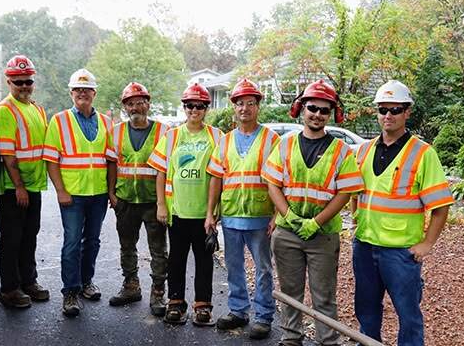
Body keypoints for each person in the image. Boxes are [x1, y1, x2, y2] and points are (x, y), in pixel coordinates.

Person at [261, 79, 364, 345]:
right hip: (288, 232)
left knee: (324, 296)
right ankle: (291, 338)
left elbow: (345, 192)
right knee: (289, 291)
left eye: (323, 110)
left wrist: (317, 222)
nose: (317, 114)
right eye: (312, 108)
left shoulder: (341, 150)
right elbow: (273, 183)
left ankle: (326, 341)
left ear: (331, 114)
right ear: (301, 109)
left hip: (323, 236)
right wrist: (289, 216)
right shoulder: (285, 145)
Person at [352, 80, 454, 346]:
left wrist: (427, 244)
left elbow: (441, 206)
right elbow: (356, 192)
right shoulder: (363, 149)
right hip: (364, 246)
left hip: (400, 252)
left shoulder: (423, 153)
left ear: (407, 112)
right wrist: (356, 222)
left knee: (408, 317)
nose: (388, 115)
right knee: (366, 313)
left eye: (395, 109)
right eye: (382, 109)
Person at [205, 78, 280, 340]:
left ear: (258, 106)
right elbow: (216, 178)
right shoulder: (225, 142)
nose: (244, 108)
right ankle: (238, 310)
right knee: (233, 265)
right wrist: (210, 214)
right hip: (231, 216)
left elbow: (281, 180)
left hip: (260, 217)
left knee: (263, 268)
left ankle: (263, 316)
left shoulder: (272, 139)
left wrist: (277, 215)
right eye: (240, 104)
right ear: (234, 107)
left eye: (250, 103)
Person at [43, 69, 117, 317]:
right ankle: (70, 292)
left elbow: (110, 160)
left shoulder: (107, 122)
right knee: (72, 243)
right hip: (72, 195)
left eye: (86, 90)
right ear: (71, 93)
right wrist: (60, 190)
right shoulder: (59, 120)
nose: (82, 93)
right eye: (77, 90)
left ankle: (86, 282)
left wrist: (110, 192)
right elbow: (51, 160)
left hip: (98, 195)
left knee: (93, 241)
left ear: (94, 93)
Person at [148, 83, 222, 326]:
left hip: (204, 214)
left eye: (200, 106)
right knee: (176, 259)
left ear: (206, 109)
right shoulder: (172, 136)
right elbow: (160, 172)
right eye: (190, 105)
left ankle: (203, 306)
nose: (194, 110)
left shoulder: (216, 136)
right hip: (178, 211)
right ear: (184, 108)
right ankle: (175, 303)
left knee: (204, 261)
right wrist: (161, 204)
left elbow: (220, 174)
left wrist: (213, 211)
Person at [0, 55, 49, 308]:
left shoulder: (35, 108)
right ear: (9, 82)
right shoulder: (5, 111)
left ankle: (28, 281)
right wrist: (19, 186)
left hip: (33, 185)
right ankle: (9, 289)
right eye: (18, 82)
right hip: (13, 189)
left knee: (29, 236)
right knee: (12, 238)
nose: (24, 86)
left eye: (28, 81)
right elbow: (7, 154)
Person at [108, 82, 169, 316]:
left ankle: (158, 293)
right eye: (131, 103)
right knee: (127, 246)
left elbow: (167, 168)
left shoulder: (164, 132)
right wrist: (112, 193)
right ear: (125, 107)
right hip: (125, 200)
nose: (136, 107)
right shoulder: (116, 132)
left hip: (154, 201)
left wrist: (164, 202)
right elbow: (112, 164)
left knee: (158, 249)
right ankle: (131, 286)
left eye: (140, 102)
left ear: (148, 104)